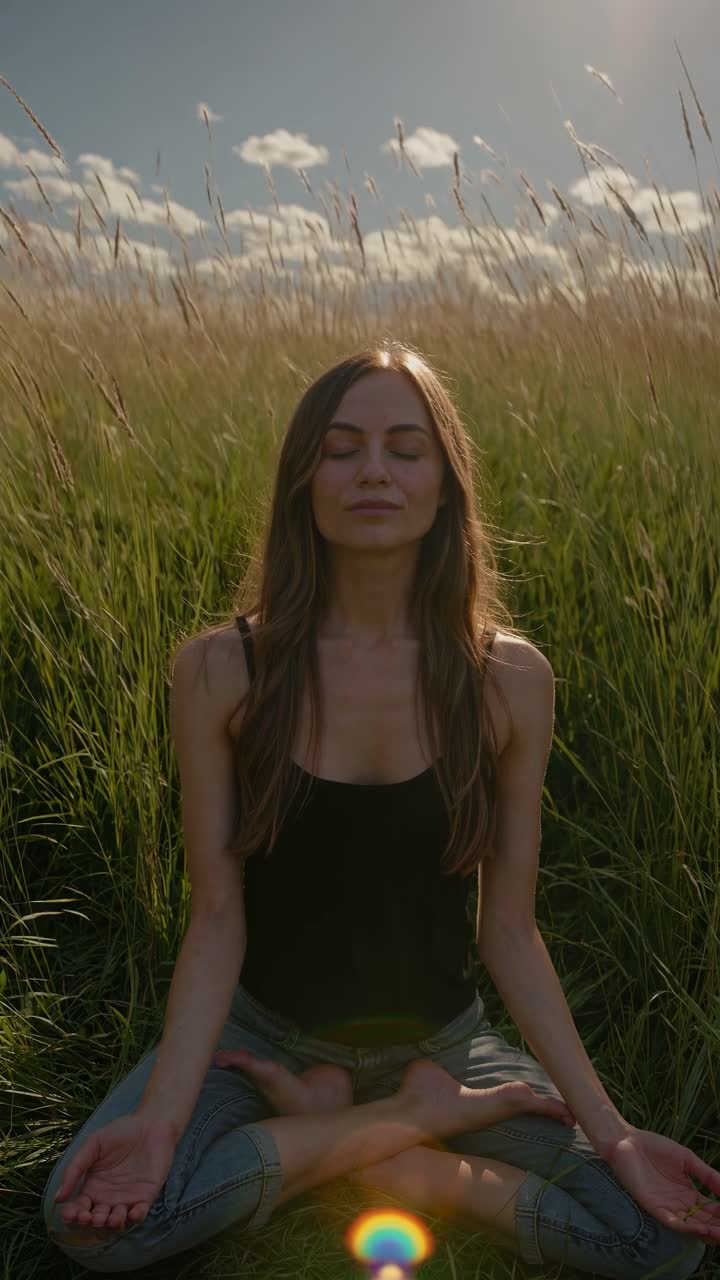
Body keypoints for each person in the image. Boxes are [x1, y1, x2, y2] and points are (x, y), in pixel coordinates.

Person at [41, 345, 716, 1274]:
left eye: (405, 448)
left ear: (446, 484)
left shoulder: (509, 679)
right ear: (302, 479)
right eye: (341, 446)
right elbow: (217, 916)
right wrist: (161, 1121)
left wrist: (618, 1132)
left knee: (659, 1242)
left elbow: (510, 932)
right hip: (261, 1037)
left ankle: (380, 1154)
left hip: (447, 1045)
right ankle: (405, 1126)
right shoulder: (220, 669)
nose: (372, 471)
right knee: (87, 1224)